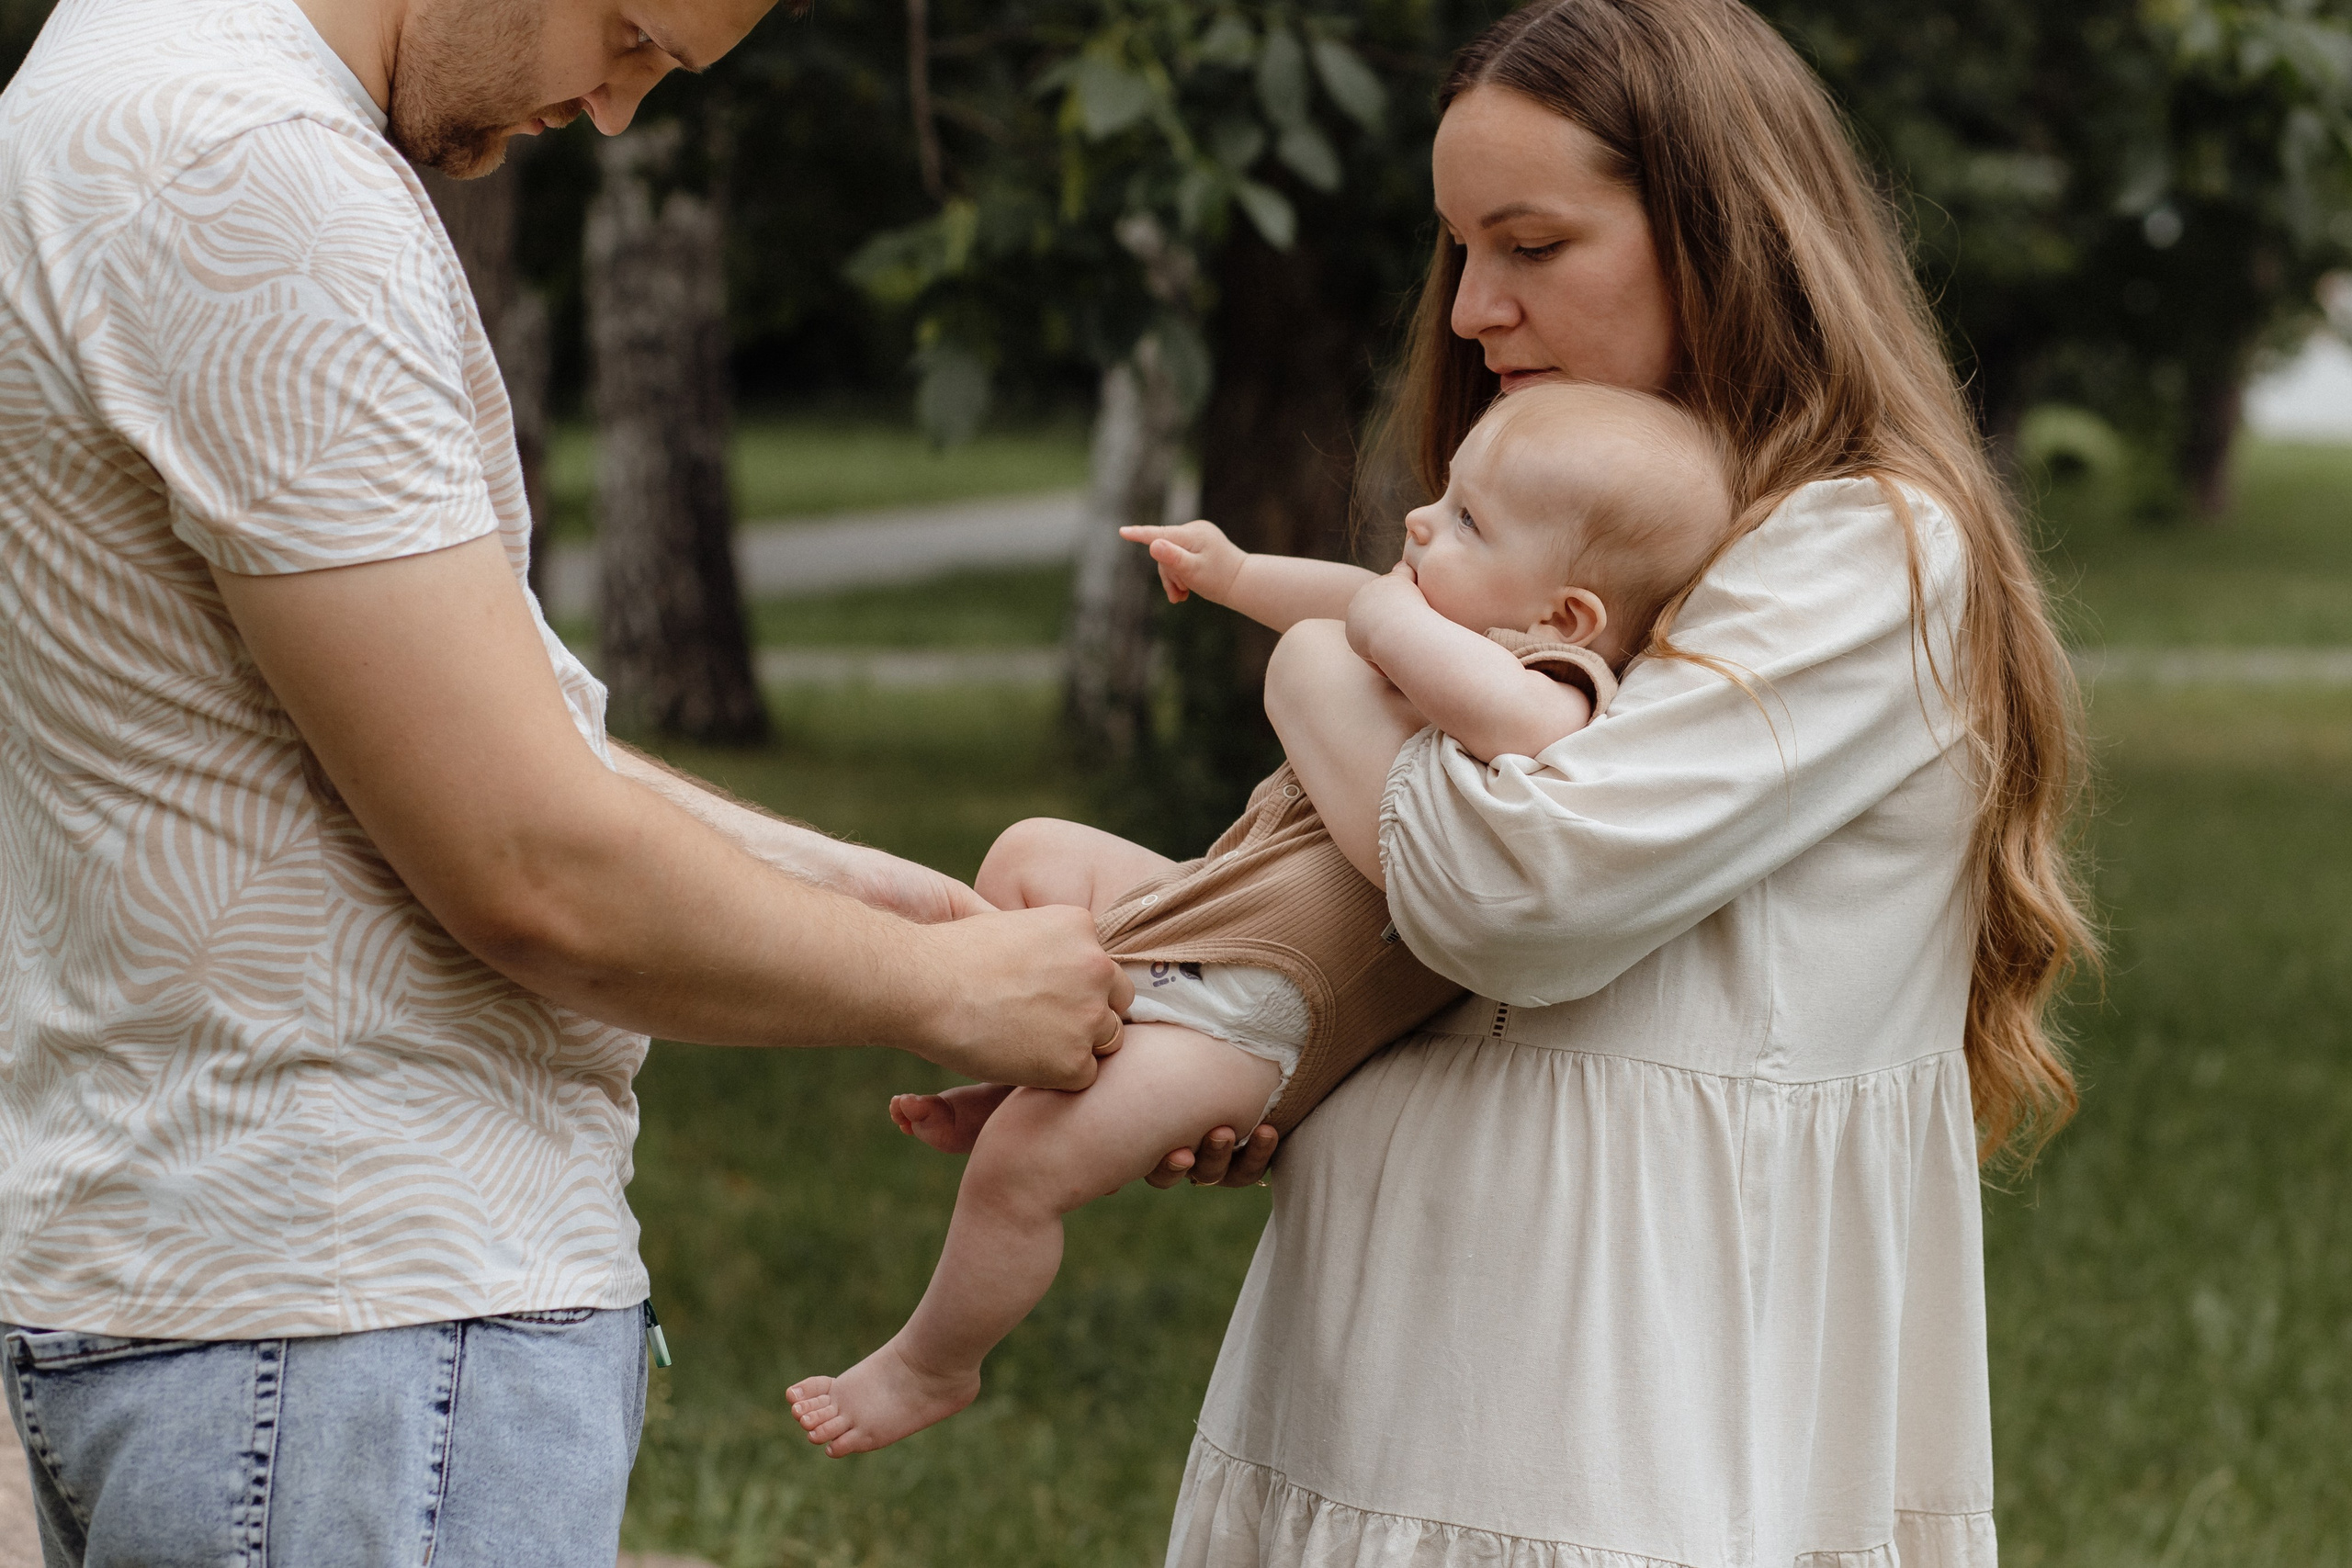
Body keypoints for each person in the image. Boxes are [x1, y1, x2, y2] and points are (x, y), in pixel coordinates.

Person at [0, 0, 1133, 1562]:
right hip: (356, 1326)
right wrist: (944, 992)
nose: (612, 111)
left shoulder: (115, 79)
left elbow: (436, 733)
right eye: (632, 36)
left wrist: (884, 898)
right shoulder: (253, 169)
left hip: (234, 1305)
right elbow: (529, 861)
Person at [1159, 2, 2097, 1564]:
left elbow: (1520, 892)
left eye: (1529, 244)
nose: (1471, 310)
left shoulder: (1864, 545)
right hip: (1394, 1352)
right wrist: (1258, 1039)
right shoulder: (1559, 534)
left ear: (1728, 239)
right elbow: (1390, 907)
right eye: (1459, 249)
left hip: (1609, 1399)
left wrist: (1315, 665)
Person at [784, 383, 1737, 1458]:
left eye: (1468, 520)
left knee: (1020, 1169)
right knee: (1025, 856)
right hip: (1212, 901)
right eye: (1444, 495)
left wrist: (1382, 618)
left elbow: (1496, 707)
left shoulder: (1558, 684)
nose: (1421, 522)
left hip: (1253, 1019)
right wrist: (1234, 575)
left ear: (1565, 614)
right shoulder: (1439, 616)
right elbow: (1346, 596)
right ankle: (1035, 1057)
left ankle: (930, 1364)